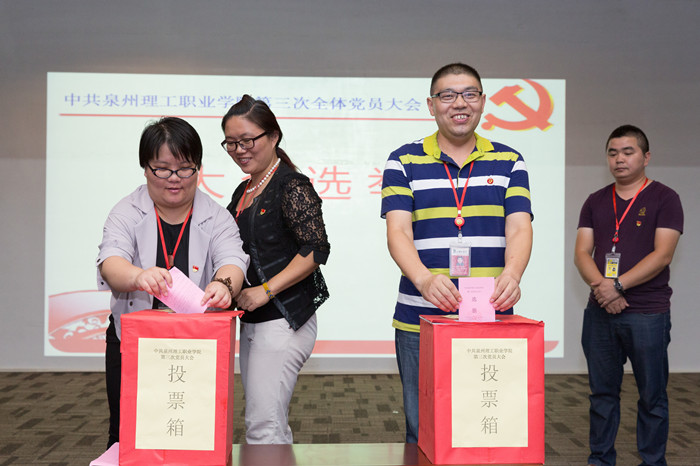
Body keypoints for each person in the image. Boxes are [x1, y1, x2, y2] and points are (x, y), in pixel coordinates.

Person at [381, 63, 533, 443]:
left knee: (487, 427)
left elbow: (519, 227)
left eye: (469, 94)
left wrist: (512, 274)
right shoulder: (403, 160)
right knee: (423, 429)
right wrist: (424, 279)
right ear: (431, 105)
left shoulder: (510, 161)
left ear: (483, 101)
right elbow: (398, 231)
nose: (459, 103)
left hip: (490, 314)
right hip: (420, 317)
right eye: (447, 95)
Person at [96, 117, 249, 448]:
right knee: (128, 432)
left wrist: (224, 285)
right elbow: (111, 263)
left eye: (185, 168)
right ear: (145, 168)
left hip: (195, 345)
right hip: (133, 342)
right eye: (162, 169)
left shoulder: (216, 216)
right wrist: (138, 276)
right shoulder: (126, 211)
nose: (175, 178)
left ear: (198, 168)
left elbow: (233, 260)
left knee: (191, 434)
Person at [221, 95, 330, 444]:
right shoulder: (244, 189)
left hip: (283, 318)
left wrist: (265, 291)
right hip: (254, 320)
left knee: (262, 425)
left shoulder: (290, 185)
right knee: (270, 423)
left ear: (273, 136)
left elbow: (315, 249)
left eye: (247, 140)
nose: (239, 150)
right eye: (231, 143)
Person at [574, 125, 683, 466]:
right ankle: (601, 459)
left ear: (646, 157)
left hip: (647, 313)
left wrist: (617, 285)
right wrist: (603, 289)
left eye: (627, 152)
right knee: (601, 395)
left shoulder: (665, 198)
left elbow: (663, 255)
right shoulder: (595, 200)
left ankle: (652, 461)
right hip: (600, 312)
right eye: (612, 153)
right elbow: (582, 253)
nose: (619, 159)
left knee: (652, 396)